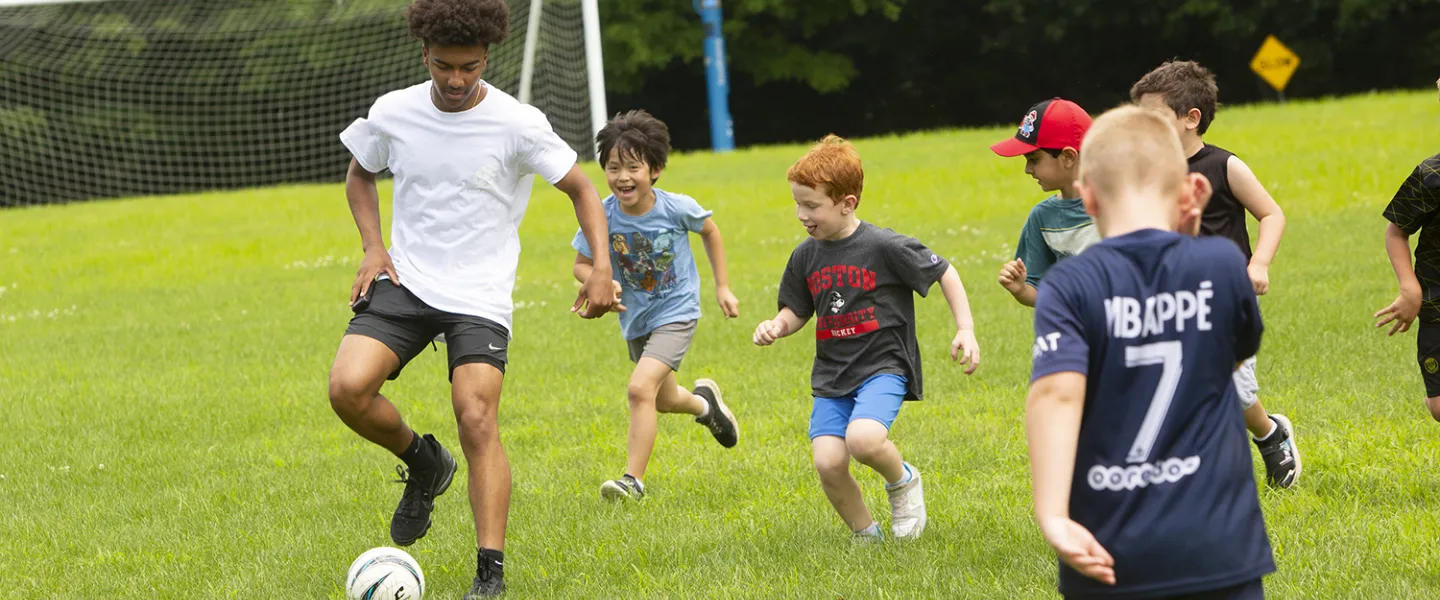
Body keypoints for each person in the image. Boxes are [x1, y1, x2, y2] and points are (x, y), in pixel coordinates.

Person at [329, 0, 616, 596]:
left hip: (479, 293)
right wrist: (372, 248)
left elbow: (583, 190)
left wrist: (601, 269)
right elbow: (361, 173)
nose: (456, 80)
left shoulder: (518, 123)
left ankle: (490, 573)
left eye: (469, 66)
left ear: (489, 56)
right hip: (405, 279)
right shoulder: (394, 112)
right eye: (443, 67)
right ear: (424, 55)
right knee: (347, 390)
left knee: (476, 416)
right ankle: (425, 462)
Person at [1026, 105, 1275, 599]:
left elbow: (1056, 395)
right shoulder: (1223, 264)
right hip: (1218, 543)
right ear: (1189, 193)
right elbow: (1230, 358)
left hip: (1109, 549)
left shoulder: (1069, 286)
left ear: (1089, 198)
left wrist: (1052, 515)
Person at [753, 134, 980, 540]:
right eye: (797, 203)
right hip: (832, 375)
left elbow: (944, 271)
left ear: (847, 203)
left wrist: (965, 328)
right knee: (827, 462)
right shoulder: (806, 255)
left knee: (864, 439)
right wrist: (778, 326)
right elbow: (797, 309)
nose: (802, 214)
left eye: (811, 205)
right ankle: (866, 535)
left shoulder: (883, 246)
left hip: (883, 365)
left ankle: (903, 481)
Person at [1131, 60, 1300, 488]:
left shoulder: (1225, 166)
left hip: (1226, 294)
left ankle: (1270, 434)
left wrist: (1258, 263)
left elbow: (1272, 213)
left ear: (1191, 119)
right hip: (1173, 296)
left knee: (1235, 388)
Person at [570, 109, 741, 501]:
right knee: (663, 400)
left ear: (656, 169)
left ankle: (633, 482)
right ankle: (705, 406)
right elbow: (580, 265)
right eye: (613, 168)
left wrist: (723, 287)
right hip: (636, 320)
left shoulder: (675, 207)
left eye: (633, 167)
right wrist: (601, 280)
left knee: (638, 389)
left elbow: (710, 231)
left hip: (677, 313)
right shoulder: (602, 215)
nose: (622, 177)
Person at [991, 98, 1100, 308]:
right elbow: (1043, 292)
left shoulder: (1121, 203)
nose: (1027, 169)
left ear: (1068, 156)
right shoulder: (1042, 217)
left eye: (1034, 159)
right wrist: (1022, 290)